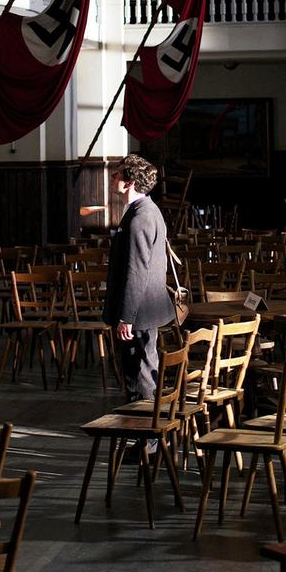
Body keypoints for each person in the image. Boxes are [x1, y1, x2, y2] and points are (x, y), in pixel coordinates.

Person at [103, 154, 174, 404]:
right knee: (137, 372)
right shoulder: (143, 210)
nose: (113, 177)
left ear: (130, 181)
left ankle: (148, 438)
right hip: (143, 310)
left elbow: (136, 271)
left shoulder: (141, 216)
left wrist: (126, 317)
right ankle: (141, 434)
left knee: (142, 376)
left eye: (118, 173)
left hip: (139, 312)